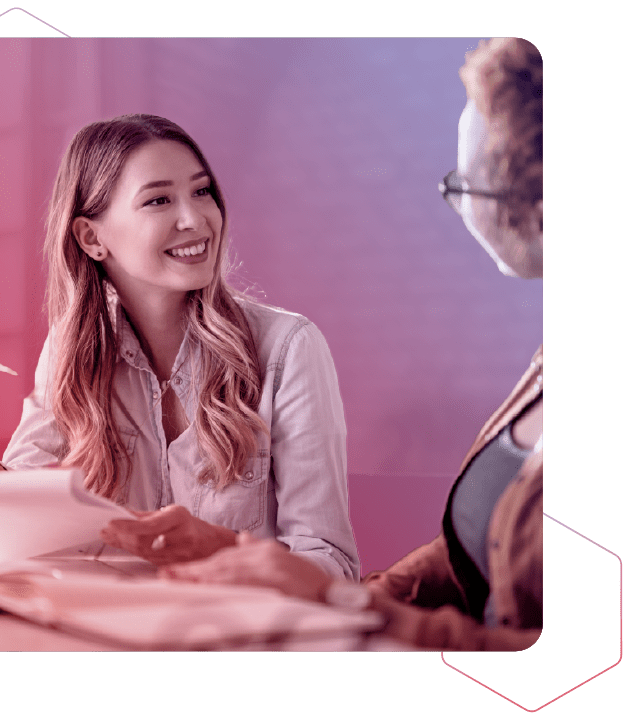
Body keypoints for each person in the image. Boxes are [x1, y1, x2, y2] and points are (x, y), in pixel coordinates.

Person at [164, 38, 543, 651]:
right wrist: (337, 598)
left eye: (466, 185)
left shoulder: (287, 343)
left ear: (538, 204)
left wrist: (341, 599)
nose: (190, 222)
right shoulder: (545, 365)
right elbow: (460, 560)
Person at [0, 114, 359, 579]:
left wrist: (218, 548)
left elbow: (333, 567)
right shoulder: (72, 350)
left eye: (202, 192)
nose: (195, 219)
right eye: (159, 199)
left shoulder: (287, 348)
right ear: (91, 238)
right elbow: (12, 522)